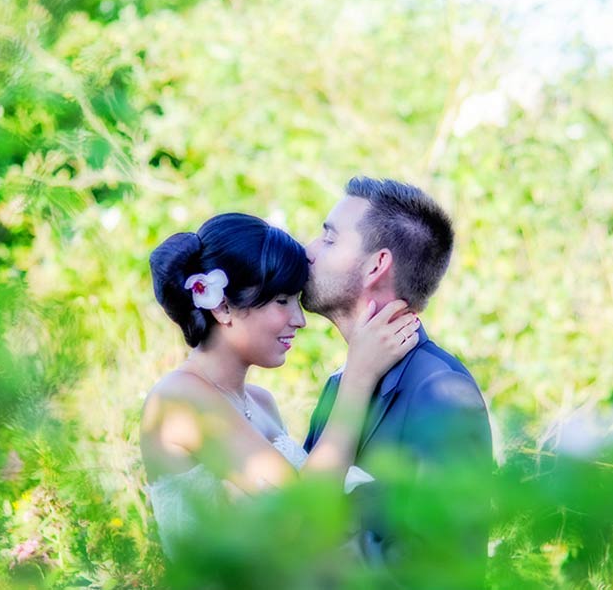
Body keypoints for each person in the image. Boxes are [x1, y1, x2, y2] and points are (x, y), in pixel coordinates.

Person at [140, 212, 420, 557]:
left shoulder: (261, 402)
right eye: (282, 301)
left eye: (298, 301)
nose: (300, 320)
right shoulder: (179, 399)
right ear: (223, 307)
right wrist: (358, 377)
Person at [302, 177, 493, 582]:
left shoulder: (441, 391)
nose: (309, 251)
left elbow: (442, 564)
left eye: (330, 239)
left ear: (376, 265)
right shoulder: (341, 384)